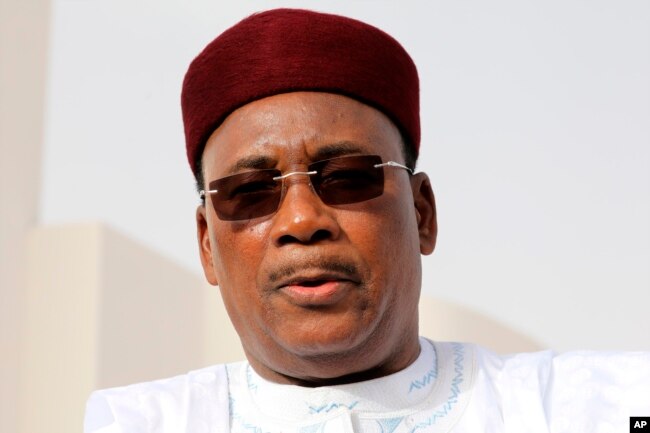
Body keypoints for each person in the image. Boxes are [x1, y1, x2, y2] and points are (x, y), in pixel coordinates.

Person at [84, 8, 650, 433]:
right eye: (251, 191)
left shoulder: (590, 406)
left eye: (348, 176)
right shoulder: (141, 422)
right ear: (208, 245)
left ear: (422, 213)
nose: (302, 220)